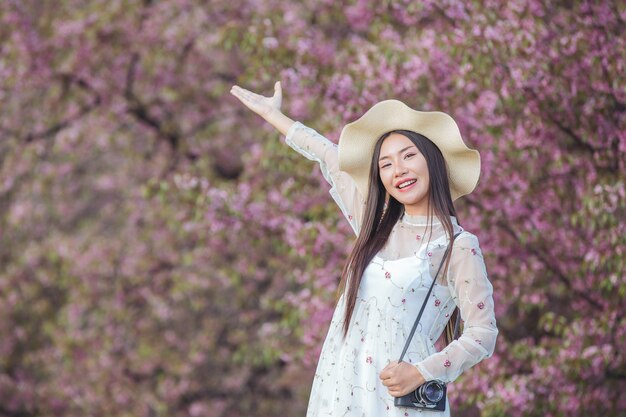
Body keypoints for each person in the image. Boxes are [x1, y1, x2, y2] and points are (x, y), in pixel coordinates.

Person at [230, 81, 498, 417]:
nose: (398, 170)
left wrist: (422, 371)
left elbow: (483, 333)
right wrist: (276, 116)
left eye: (408, 156)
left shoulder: (457, 246)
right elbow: (329, 156)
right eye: (386, 164)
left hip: (399, 395)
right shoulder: (375, 226)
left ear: (433, 161)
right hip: (341, 387)